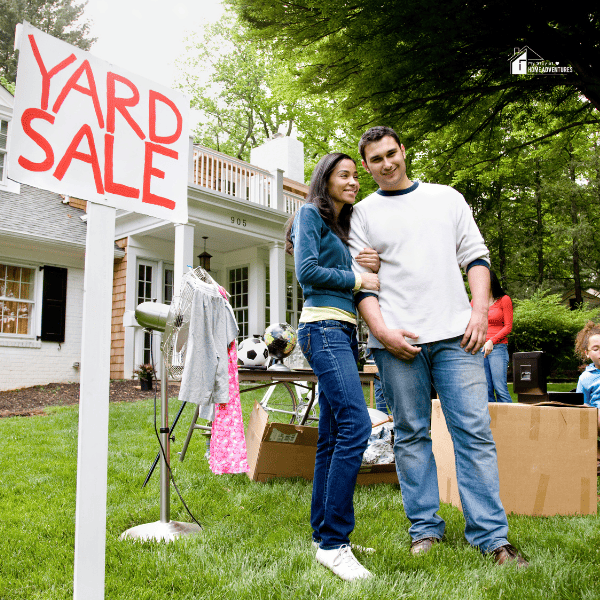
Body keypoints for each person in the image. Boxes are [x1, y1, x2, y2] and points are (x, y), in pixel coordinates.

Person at [348, 126, 528, 567]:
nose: (387, 164)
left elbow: (476, 256)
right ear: (367, 167)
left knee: (474, 433)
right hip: (398, 341)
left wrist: (479, 313)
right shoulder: (361, 214)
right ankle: (425, 529)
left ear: (404, 151)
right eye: (376, 160)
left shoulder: (446, 197)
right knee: (410, 436)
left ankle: (491, 537)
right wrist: (383, 334)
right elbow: (362, 285)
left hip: (456, 335)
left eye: (392, 153)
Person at [286, 152, 380, 581]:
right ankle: (334, 544)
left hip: (341, 332)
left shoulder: (341, 231)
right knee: (357, 427)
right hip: (322, 328)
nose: (354, 181)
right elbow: (307, 273)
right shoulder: (308, 214)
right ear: (325, 179)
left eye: (356, 176)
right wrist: (359, 279)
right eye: (345, 174)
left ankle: (323, 533)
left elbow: (345, 271)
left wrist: (363, 267)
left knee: (332, 436)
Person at [480, 270, 514, 403]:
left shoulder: (504, 300)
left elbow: (508, 326)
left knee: (500, 388)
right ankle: (492, 423)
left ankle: (511, 422)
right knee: (486, 391)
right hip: (481, 350)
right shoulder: (476, 302)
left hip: (498, 348)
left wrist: (491, 341)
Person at [574, 321, 600, 475]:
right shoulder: (586, 378)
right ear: (587, 353)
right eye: (596, 349)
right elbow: (580, 404)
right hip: (596, 418)